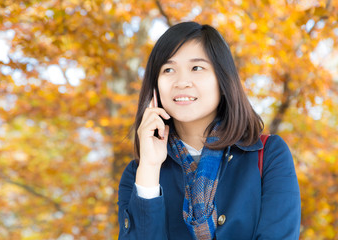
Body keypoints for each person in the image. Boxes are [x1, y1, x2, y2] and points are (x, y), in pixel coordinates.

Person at [117, 21, 301, 240]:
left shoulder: (268, 154)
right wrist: (149, 167)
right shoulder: (139, 174)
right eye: (168, 69)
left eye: (197, 68)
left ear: (222, 81)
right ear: (156, 87)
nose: (182, 82)